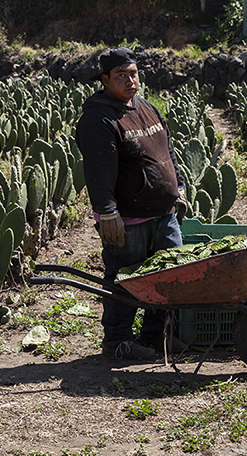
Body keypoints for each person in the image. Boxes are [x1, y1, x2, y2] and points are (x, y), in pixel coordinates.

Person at [75, 47, 190, 360]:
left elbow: (166, 151)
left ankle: (156, 335)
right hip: (127, 219)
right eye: (120, 75)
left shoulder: (147, 108)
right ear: (104, 80)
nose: (129, 80)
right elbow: (97, 171)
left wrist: (177, 186)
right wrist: (107, 211)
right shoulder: (98, 118)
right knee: (125, 279)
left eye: (133, 73)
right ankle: (118, 342)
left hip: (162, 214)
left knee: (168, 275)